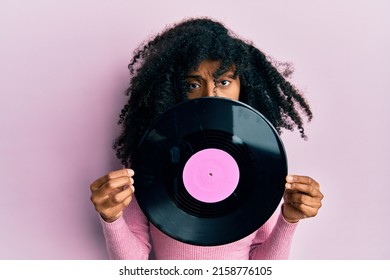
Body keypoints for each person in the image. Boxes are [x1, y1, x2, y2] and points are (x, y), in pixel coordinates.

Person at [90, 17, 324, 260]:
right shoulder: (151, 156)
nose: (211, 95)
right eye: (193, 84)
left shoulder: (260, 159)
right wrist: (112, 219)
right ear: (172, 90)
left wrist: (290, 219)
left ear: (242, 86)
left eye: (224, 82)